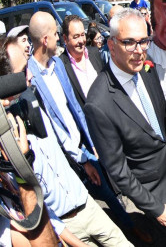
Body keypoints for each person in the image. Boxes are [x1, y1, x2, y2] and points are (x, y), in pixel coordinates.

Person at [0, 36, 134, 246]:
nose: (30, 74)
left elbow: (60, 137)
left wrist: (83, 161)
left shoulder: (31, 101)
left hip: (85, 203)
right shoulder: (4, 143)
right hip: (60, 224)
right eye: (23, 70)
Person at [84, 9, 166, 246]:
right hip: (153, 193)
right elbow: (118, 170)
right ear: (111, 45)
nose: (139, 50)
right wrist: (155, 208)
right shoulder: (99, 103)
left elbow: (163, 120)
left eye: (143, 41)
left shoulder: (146, 68)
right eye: (129, 43)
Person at [59, 15, 104, 106]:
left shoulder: (94, 53)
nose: (81, 41)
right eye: (76, 37)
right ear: (65, 39)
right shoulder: (61, 65)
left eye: (82, 35)